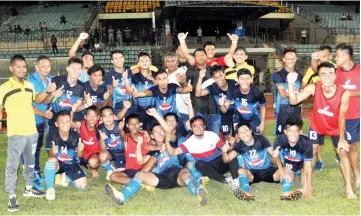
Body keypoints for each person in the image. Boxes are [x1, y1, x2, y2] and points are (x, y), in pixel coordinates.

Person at [105, 115, 208, 206]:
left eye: (161, 131)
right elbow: (140, 162)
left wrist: (156, 114)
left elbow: (169, 131)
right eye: (156, 132)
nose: (159, 133)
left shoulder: (172, 142)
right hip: (161, 178)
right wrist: (142, 145)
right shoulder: (153, 151)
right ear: (152, 136)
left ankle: (198, 190)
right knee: (140, 175)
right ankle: (122, 196)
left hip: (176, 174)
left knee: (185, 173)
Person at [288, 62, 355, 199]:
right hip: (317, 126)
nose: (328, 77)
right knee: (310, 153)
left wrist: (342, 139)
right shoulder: (314, 87)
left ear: (335, 75)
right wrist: (290, 84)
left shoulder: (344, 93)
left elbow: (342, 118)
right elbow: (294, 101)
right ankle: (307, 187)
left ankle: (349, 189)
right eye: (323, 74)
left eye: (331, 74)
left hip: (336, 127)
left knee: (342, 152)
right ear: (319, 77)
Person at [0, 55, 46, 212]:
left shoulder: (29, 85)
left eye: (24, 67)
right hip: (16, 133)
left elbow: (37, 100)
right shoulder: (4, 87)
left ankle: (28, 188)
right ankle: (12, 196)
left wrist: (48, 91)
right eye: (18, 66)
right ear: (12, 68)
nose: (21, 69)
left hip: (32, 132)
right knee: (12, 166)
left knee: (30, 163)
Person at [222, 123, 281, 200]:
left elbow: (271, 152)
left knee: (286, 171)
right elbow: (227, 160)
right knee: (241, 171)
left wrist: (275, 153)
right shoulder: (239, 145)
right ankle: (246, 192)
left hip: (268, 170)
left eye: (246, 131)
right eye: (241, 132)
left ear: (250, 131)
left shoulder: (261, 139)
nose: (244, 134)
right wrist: (224, 152)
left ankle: (287, 191)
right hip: (252, 174)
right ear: (238, 136)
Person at [165, 116, 231, 183]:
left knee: (232, 153)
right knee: (198, 164)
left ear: (204, 127)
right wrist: (166, 141)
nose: (198, 128)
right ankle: (225, 179)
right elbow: (173, 153)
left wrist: (230, 146)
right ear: (191, 128)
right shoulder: (189, 143)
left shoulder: (212, 135)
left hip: (220, 163)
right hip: (207, 167)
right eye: (195, 126)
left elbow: (224, 148)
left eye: (200, 125)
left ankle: (238, 176)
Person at [27, 56, 57, 190]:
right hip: (34, 118)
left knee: (41, 147)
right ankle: (33, 174)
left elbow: (51, 99)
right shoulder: (30, 81)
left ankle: (37, 172)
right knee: (33, 149)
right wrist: (48, 91)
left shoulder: (51, 78)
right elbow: (33, 103)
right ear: (36, 67)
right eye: (43, 66)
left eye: (48, 66)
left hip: (48, 117)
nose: (46, 69)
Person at [43, 111, 88, 201]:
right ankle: (50, 188)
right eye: (62, 122)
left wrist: (80, 150)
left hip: (72, 164)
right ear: (56, 124)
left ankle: (66, 176)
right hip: (58, 163)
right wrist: (53, 151)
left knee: (83, 186)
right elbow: (50, 156)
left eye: (68, 121)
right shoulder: (51, 134)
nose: (65, 124)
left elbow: (80, 156)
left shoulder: (75, 135)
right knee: (51, 161)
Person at [335, 43, 360, 191]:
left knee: (354, 146)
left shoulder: (359, 69)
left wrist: (350, 93)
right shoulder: (335, 72)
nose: (335, 58)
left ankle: (357, 174)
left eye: (337, 55)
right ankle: (357, 173)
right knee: (349, 147)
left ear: (346, 56)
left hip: (357, 114)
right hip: (343, 117)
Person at [272, 116, 313, 200]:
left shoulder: (306, 143)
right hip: (289, 165)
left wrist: (308, 187)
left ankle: (300, 176)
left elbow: (308, 166)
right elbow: (274, 161)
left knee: (303, 183)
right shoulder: (280, 140)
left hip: (302, 165)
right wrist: (281, 171)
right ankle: (288, 189)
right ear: (285, 132)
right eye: (290, 131)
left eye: (296, 131)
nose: (293, 134)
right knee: (276, 177)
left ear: (300, 132)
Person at [106, 113, 150, 185]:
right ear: (127, 125)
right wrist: (120, 129)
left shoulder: (145, 137)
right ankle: (139, 183)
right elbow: (123, 136)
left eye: (136, 124)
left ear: (140, 124)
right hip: (129, 170)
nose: (134, 126)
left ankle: (137, 181)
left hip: (143, 169)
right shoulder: (126, 137)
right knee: (113, 177)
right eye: (131, 124)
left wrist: (145, 132)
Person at [196, 65, 237, 140]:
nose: (219, 79)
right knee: (227, 138)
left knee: (238, 136)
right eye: (216, 77)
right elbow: (198, 94)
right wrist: (200, 78)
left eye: (220, 76)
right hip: (224, 115)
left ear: (224, 74)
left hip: (237, 114)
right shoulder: (213, 87)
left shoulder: (233, 83)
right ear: (213, 78)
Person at [185, 48, 221, 135]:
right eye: (197, 55)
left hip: (214, 110)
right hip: (198, 109)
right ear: (194, 58)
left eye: (202, 55)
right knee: (199, 137)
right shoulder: (190, 71)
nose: (200, 57)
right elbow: (186, 87)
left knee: (215, 137)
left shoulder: (213, 70)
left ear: (206, 56)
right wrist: (183, 83)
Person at [221, 68, 266, 135]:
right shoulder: (232, 90)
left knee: (257, 134)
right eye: (242, 79)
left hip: (253, 116)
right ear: (237, 80)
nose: (245, 81)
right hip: (238, 116)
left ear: (251, 79)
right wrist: (221, 104)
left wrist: (262, 123)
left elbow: (263, 107)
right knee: (237, 137)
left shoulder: (257, 92)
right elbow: (224, 110)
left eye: (247, 78)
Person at [273, 48, 302, 135]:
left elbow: (301, 88)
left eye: (292, 58)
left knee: (296, 132)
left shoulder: (299, 74)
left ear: (296, 59)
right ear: (284, 59)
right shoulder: (278, 75)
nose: (290, 61)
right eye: (288, 59)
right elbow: (282, 94)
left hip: (296, 106)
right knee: (282, 133)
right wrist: (296, 94)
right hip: (283, 107)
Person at [98, 106, 132, 180]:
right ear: (101, 118)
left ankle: (117, 165)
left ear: (114, 116)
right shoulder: (100, 128)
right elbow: (103, 149)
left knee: (121, 171)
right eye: (105, 116)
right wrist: (102, 139)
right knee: (102, 156)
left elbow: (126, 141)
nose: (108, 118)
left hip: (122, 152)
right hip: (111, 152)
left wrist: (120, 130)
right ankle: (110, 169)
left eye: (110, 115)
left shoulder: (121, 125)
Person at [71, 105, 101, 178]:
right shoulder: (81, 124)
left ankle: (94, 169)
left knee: (93, 162)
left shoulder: (100, 125)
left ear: (98, 117)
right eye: (89, 116)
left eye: (94, 116)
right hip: (82, 152)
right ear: (85, 117)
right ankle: (80, 164)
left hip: (94, 154)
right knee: (74, 153)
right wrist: (72, 112)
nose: (92, 119)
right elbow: (71, 124)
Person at [104, 50, 136, 118]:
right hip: (118, 106)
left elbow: (131, 91)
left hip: (131, 104)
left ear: (123, 59)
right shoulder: (109, 75)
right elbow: (107, 95)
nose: (119, 60)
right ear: (112, 61)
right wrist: (113, 86)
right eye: (116, 58)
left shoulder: (129, 70)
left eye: (120, 57)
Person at [164, 52, 190, 123]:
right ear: (165, 63)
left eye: (173, 61)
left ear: (177, 62)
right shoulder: (163, 74)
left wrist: (183, 82)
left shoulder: (183, 72)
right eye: (168, 61)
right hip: (167, 110)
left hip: (181, 110)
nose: (171, 63)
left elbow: (187, 89)